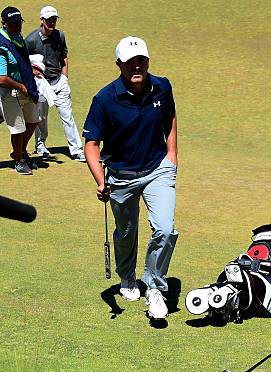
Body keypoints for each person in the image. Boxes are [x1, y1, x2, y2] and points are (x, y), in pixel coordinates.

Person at [83, 36, 178, 320]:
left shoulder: (162, 86)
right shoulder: (105, 99)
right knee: (125, 232)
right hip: (121, 176)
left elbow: (170, 116)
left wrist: (172, 154)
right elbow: (91, 144)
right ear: (119, 65)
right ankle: (127, 276)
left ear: (148, 61)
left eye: (142, 61)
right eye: (130, 62)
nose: (137, 66)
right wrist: (101, 180)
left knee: (164, 229)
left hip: (157, 169)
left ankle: (154, 286)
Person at [25, 6, 84, 161]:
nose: (52, 22)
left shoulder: (60, 35)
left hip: (59, 82)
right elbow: (23, 62)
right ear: (41, 20)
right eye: (49, 19)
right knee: (41, 117)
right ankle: (40, 145)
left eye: (54, 19)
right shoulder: (31, 40)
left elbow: (64, 57)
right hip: (42, 84)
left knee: (67, 116)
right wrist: (33, 74)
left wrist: (65, 77)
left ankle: (77, 150)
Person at [0, 6, 40, 175]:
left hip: (25, 88)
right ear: (4, 24)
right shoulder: (2, 45)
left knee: (33, 121)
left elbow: (20, 61)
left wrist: (31, 70)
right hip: (10, 92)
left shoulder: (17, 37)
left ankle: (20, 151)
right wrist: (20, 86)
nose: (17, 26)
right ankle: (19, 160)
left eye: (18, 23)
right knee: (18, 129)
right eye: (13, 24)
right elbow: (1, 78)